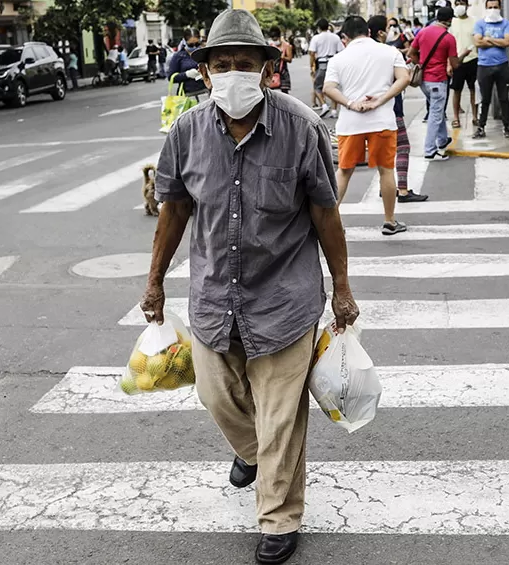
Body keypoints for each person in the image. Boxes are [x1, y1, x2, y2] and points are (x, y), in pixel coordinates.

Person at [141, 9, 356, 564]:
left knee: (282, 416)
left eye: (244, 63)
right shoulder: (187, 132)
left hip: (285, 298)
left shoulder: (301, 127)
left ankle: (279, 518)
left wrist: (342, 287)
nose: (233, 73)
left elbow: (325, 213)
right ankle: (252, 453)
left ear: (267, 67)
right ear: (206, 71)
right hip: (215, 297)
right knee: (217, 396)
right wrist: (155, 282)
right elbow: (173, 210)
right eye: (221, 64)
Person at [323, 16, 413, 236]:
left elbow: (328, 88)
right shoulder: (390, 52)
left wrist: (351, 103)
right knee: (386, 170)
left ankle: (329, 223)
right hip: (382, 120)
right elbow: (404, 78)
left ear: (345, 37)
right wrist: (381, 100)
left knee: (344, 171)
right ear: (369, 32)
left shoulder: (338, 59)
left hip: (350, 123)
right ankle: (389, 221)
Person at [370, 15, 428, 204]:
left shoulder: (363, 53)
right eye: (388, 28)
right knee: (402, 146)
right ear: (381, 32)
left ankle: (384, 186)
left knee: (381, 149)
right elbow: (404, 81)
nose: (390, 31)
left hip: (369, 107)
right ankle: (402, 190)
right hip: (392, 106)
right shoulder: (389, 52)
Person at [409, 7, 459, 161]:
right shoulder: (449, 38)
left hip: (424, 81)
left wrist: (422, 64)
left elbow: (411, 53)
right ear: (450, 20)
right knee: (435, 115)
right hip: (438, 80)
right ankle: (430, 150)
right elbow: (455, 64)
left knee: (437, 111)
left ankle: (443, 139)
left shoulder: (423, 32)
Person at [473, 0, 509, 139]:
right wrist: (498, 41)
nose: (493, 10)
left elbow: (507, 42)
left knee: (504, 98)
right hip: (484, 66)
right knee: (485, 99)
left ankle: (506, 127)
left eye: (495, 7)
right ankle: (481, 127)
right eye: (490, 7)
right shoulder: (480, 23)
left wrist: (488, 39)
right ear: (486, 8)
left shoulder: (506, 23)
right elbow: (477, 42)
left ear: (500, 7)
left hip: (502, 66)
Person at [448, 0, 479, 129]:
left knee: (474, 90)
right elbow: (447, 44)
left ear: (467, 5)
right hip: (457, 61)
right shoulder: (452, 23)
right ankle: (456, 117)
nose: (460, 6)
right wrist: (449, 64)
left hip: (473, 59)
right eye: (457, 3)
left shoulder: (474, 21)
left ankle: (475, 116)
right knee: (457, 90)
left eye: (462, 3)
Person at [309, 18, 344, 117]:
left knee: (317, 86)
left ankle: (324, 104)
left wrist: (311, 66)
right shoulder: (335, 37)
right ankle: (334, 110)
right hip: (333, 62)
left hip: (321, 63)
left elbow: (312, 53)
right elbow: (341, 51)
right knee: (333, 86)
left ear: (319, 28)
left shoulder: (316, 38)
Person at [168, 29, 207, 96]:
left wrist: (206, 74)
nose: (194, 47)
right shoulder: (178, 56)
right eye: (191, 45)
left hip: (205, 92)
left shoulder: (204, 53)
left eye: (197, 44)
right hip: (186, 95)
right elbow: (171, 77)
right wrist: (186, 74)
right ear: (184, 42)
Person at [268, 26, 293, 94]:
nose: (275, 41)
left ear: (279, 37)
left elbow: (290, 59)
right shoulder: (271, 46)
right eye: (273, 39)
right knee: (270, 92)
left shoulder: (286, 46)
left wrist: (282, 57)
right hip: (272, 71)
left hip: (283, 72)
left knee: (285, 93)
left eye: (276, 39)